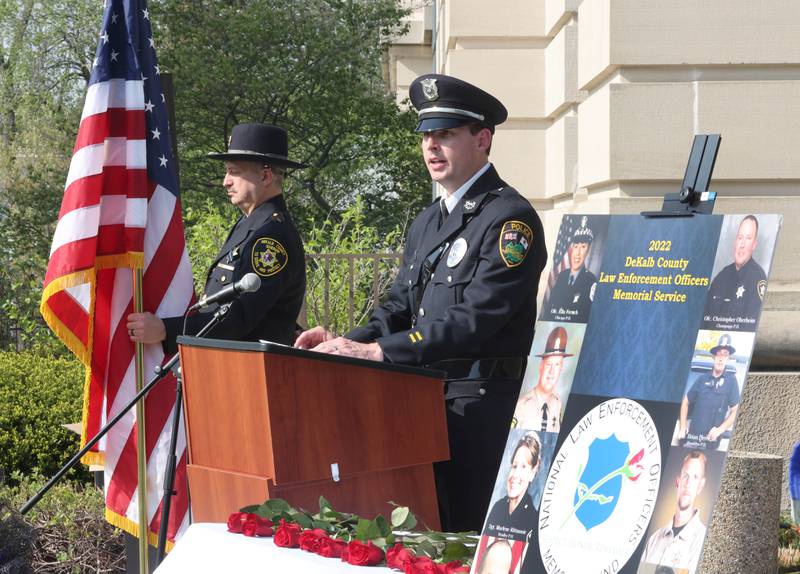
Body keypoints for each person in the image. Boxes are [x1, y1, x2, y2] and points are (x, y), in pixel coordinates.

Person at [295, 74, 547, 531]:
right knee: (425, 537)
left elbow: (477, 318)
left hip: (480, 407)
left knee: (467, 536)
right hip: (421, 402)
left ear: (483, 139)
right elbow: (396, 306)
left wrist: (381, 351)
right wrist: (344, 344)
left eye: (446, 133)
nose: (432, 146)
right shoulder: (429, 220)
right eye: (426, 135)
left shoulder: (510, 219)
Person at [126, 123, 307, 353]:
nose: (225, 181)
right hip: (225, 367)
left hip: (247, 374)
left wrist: (166, 330)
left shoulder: (271, 237)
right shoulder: (251, 223)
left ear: (265, 176)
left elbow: (239, 317)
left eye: (234, 172)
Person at [640, 451, 708, 572]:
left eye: (695, 477)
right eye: (685, 476)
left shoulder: (702, 540)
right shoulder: (654, 538)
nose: (688, 483)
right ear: (678, 481)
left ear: (700, 486)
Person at [679, 334, 740, 449]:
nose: (721, 358)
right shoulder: (702, 379)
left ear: (728, 358)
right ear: (714, 356)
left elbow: (735, 411)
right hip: (692, 438)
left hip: (711, 442)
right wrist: (682, 426)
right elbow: (685, 402)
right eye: (719, 354)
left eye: (725, 354)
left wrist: (719, 430)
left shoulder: (731, 381)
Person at [705, 215, 767, 324]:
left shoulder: (758, 278)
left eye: (748, 238)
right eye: (740, 238)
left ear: (754, 245)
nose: (742, 245)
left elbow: (751, 326)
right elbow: (704, 315)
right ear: (735, 242)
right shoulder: (722, 275)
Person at [512, 327, 572, 432]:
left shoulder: (557, 402)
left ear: (561, 369)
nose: (552, 372)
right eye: (549, 364)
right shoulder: (521, 407)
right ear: (541, 366)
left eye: (557, 365)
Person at [483, 433, 541, 541]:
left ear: (532, 474)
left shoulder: (533, 519)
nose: (515, 474)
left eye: (523, 467)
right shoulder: (497, 508)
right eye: (514, 466)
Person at [545, 217, 596, 321]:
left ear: (588, 250)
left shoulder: (591, 280)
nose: (577, 253)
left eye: (583, 247)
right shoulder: (562, 275)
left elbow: (586, 316)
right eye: (576, 246)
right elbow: (550, 308)